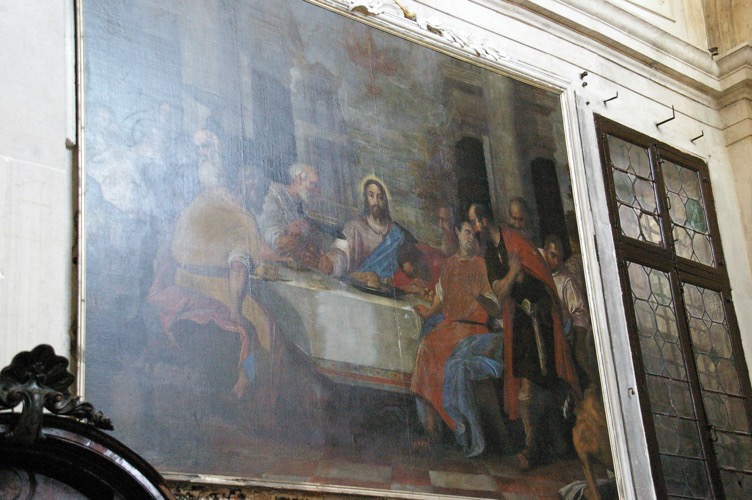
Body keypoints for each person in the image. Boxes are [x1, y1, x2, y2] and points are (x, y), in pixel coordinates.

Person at [469, 203, 581, 469]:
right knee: (524, 384)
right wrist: (512, 275)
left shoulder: (514, 239)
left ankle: (536, 447)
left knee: (539, 384)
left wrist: (512, 280)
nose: (474, 229)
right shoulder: (490, 252)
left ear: (484, 221)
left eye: (474, 222)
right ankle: (534, 445)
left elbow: (539, 279)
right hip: (520, 320)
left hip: (539, 319)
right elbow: (500, 291)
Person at [410, 220, 500, 449]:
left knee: (443, 355)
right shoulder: (449, 264)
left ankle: (459, 430)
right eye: (467, 232)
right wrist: (428, 312)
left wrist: (479, 297)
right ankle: (431, 430)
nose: (470, 238)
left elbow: (495, 308)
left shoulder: (480, 264)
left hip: (473, 329)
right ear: (458, 233)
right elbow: (441, 295)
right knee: (425, 348)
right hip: (451, 327)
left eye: (474, 235)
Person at [319, 178, 414, 278]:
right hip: (360, 284)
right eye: (371, 196)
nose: (376, 201)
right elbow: (341, 251)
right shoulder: (355, 228)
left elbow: (407, 260)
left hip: (388, 284)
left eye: (380, 197)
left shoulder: (397, 232)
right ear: (365, 199)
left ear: (384, 201)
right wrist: (332, 263)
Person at [543, 234, 598, 389]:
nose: (556, 262)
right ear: (545, 251)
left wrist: (579, 341)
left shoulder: (566, 280)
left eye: (558, 257)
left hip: (564, 329)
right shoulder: (537, 265)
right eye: (552, 255)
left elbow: (579, 312)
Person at [259, 162, 325, 270]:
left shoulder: (301, 206)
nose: (317, 192)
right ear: (299, 179)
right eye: (313, 185)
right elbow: (275, 238)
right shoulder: (274, 195)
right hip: (272, 265)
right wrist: (299, 241)